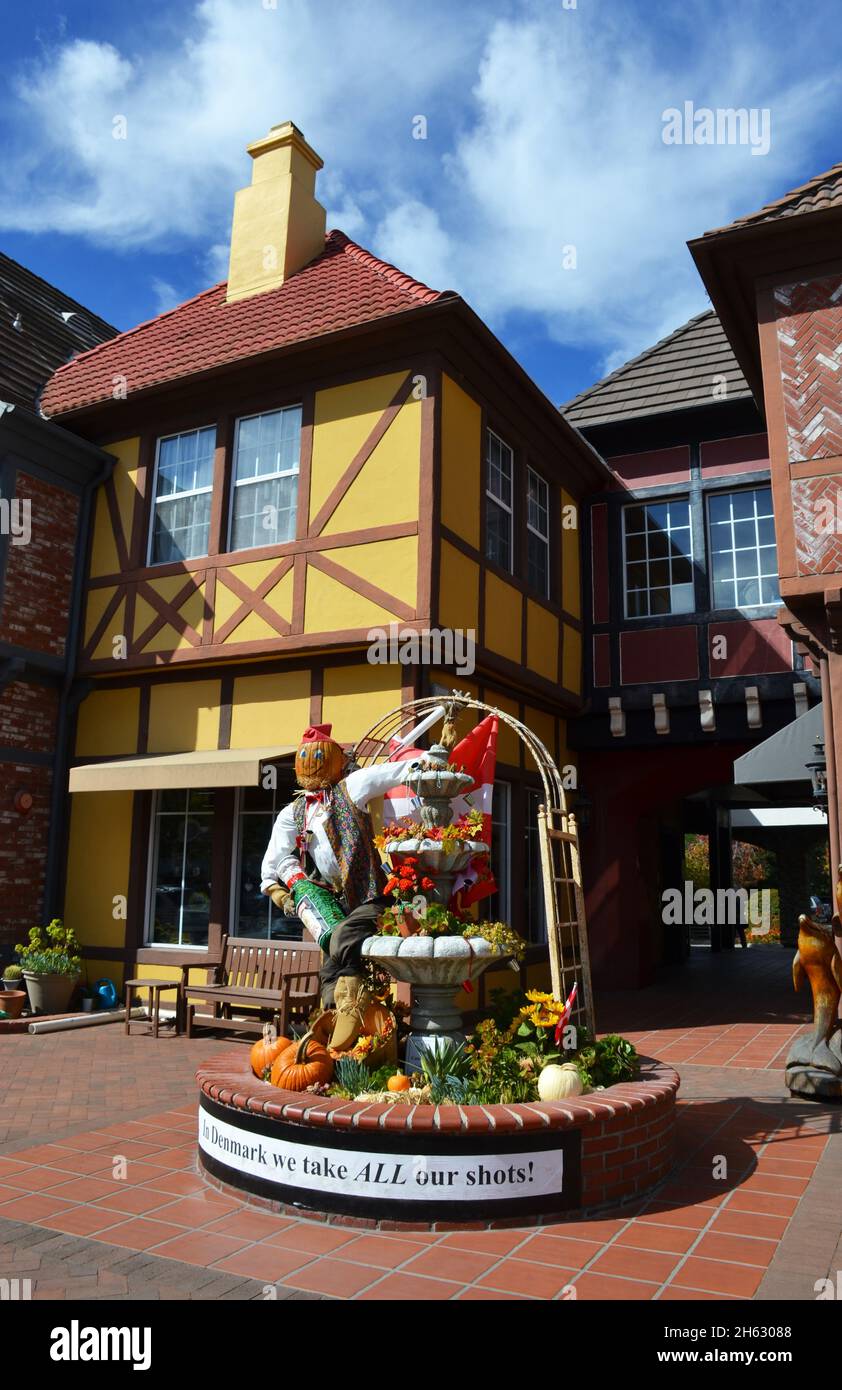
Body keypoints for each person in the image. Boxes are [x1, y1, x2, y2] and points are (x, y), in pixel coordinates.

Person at [260, 723, 420, 1047]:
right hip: (339, 903)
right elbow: (273, 858)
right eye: (304, 756)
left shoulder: (353, 787)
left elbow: (394, 772)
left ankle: (350, 1010)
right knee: (331, 952)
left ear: (334, 760)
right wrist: (279, 891)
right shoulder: (296, 812)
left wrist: (426, 762)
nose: (310, 762)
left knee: (343, 937)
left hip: (375, 896)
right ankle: (334, 1015)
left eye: (317, 755)